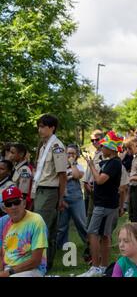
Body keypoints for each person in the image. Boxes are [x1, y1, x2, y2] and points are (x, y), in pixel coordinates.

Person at [78, 131, 124, 277]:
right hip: (105, 203)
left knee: (93, 233)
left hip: (104, 205)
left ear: (111, 148)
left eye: (103, 145)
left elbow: (100, 180)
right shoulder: (110, 162)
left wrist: (91, 165)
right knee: (104, 235)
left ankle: (96, 267)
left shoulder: (114, 163)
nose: (101, 147)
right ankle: (103, 267)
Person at [32, 114, 67, 271]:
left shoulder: (56, 146)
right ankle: (45, 263)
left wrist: (61, 197)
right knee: (45, 228)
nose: (40, 129)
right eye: (39, 126)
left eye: (43, 126)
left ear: (52, 128)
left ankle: (42, 264)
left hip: (50, 191)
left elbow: (62, 174)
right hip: (40, 189)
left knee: (42, 228)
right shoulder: (44, 146)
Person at [0, 186, 48, 277]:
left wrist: (7, 273)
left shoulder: (36, 220)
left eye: (16, 202)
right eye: (8, 204)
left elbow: (36, 260)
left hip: (33, 269)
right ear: (5, 208)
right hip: (8, 269)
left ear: (24, 203)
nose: (13, 207)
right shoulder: (2, 222)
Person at [56, 144, 88, 249]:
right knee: (62, 225)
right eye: (68, 153)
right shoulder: (60, 167)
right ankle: (60, 246)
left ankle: (89, 244)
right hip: (63, 198)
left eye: (73, 153)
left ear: (76, 155)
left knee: (81, 223)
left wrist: (72, 163)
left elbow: (76, 175)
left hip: (76, 199)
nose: (70, 155)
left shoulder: (78, 166)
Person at [83, 130, 104, 226]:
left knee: (96, 216)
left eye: (97, 139)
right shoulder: (94, 153)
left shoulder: (104, 154)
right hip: (89, 187)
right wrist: (85, 183)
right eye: (92, 140)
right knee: (89, 213)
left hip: (98, 188)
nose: (94, 142)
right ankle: (89, 238)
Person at [9, 143, 33, 210]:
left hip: (16, 204)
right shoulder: (16, 167)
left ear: (21, 154)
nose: (10, 155)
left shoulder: (24, 170)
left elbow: (23, 193)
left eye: (12, 153)